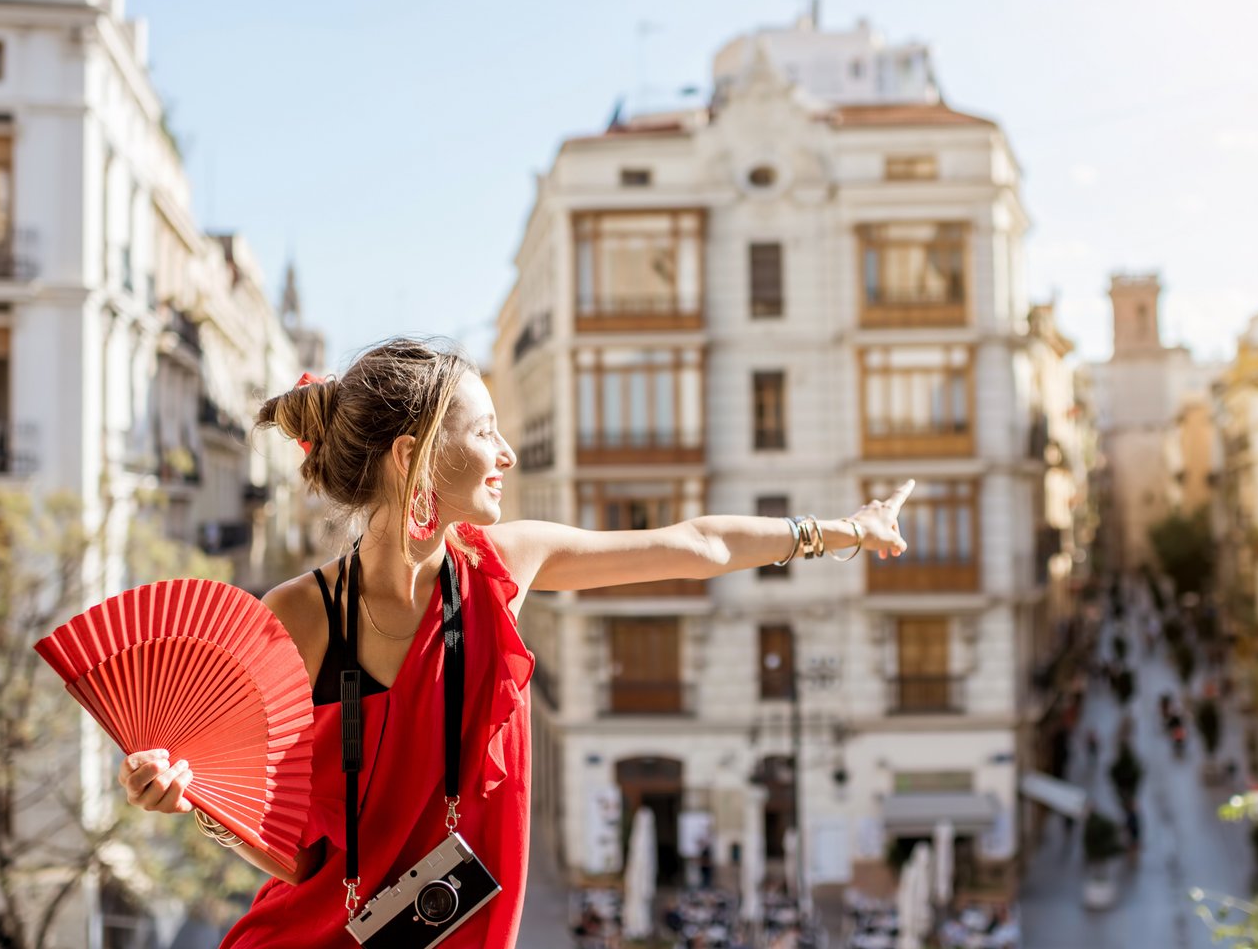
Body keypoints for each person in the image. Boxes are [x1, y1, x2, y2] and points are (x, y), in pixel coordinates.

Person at [113, 338, 916, 949]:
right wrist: (192, 802)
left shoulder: (503, 566)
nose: (507, 454)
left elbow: (696, 544)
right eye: (487, 431)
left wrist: (842, 529)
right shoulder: (298, 616)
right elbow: (291, 859)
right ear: (414, 457)